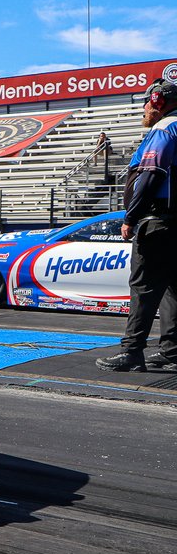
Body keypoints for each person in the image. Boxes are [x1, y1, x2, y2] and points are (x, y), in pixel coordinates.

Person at [96, 78, 177, 372]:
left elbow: (152, 173)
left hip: (158, 222)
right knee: (172, 290)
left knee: (143, 288)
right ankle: (172, 351)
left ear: (157, 101)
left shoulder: (164, 128)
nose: (143, 109)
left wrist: (131, 216)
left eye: (145, 102)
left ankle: (131, 353)